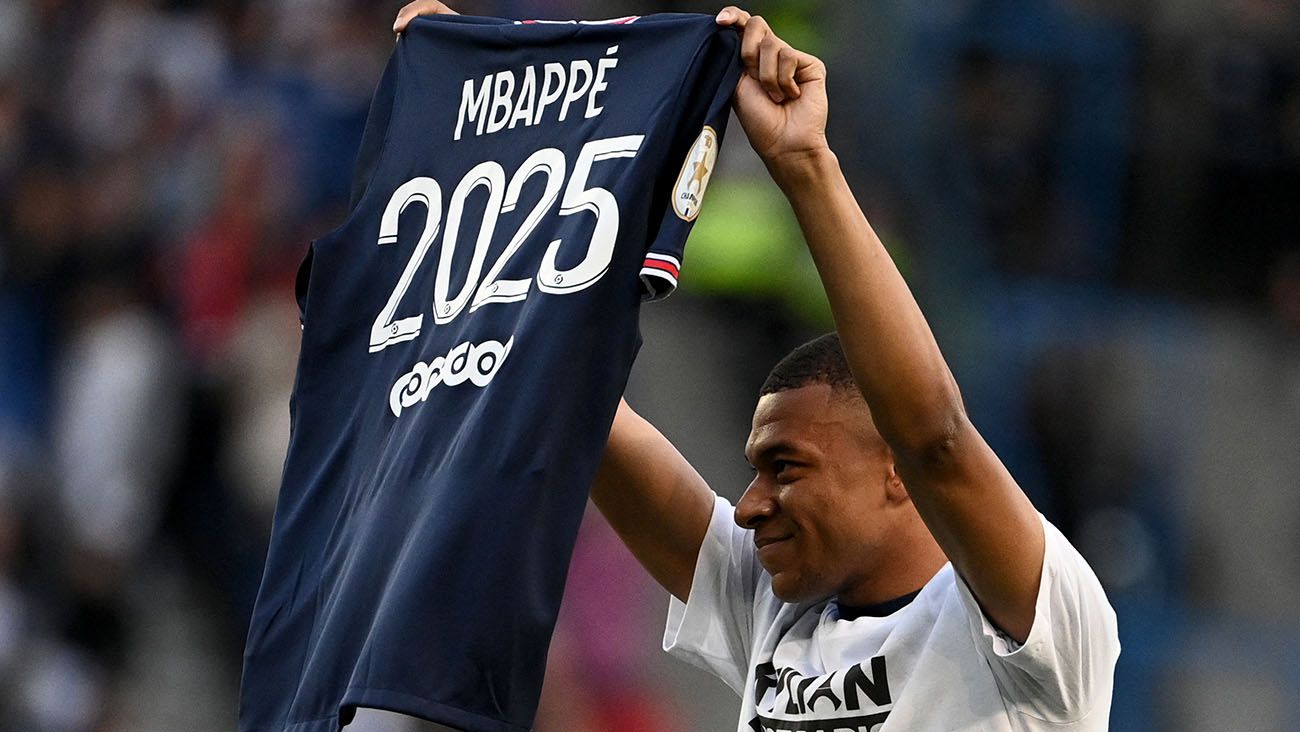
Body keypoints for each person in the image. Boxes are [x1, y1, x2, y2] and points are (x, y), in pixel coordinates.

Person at [391, 3, 1119, 731]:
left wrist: (805, 166)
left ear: (896, 469)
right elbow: (583, 407)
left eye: (786, 468)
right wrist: (486, 127)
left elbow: (935, 435)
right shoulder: (778, 607)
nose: (748, 505)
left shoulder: (1030, 623)